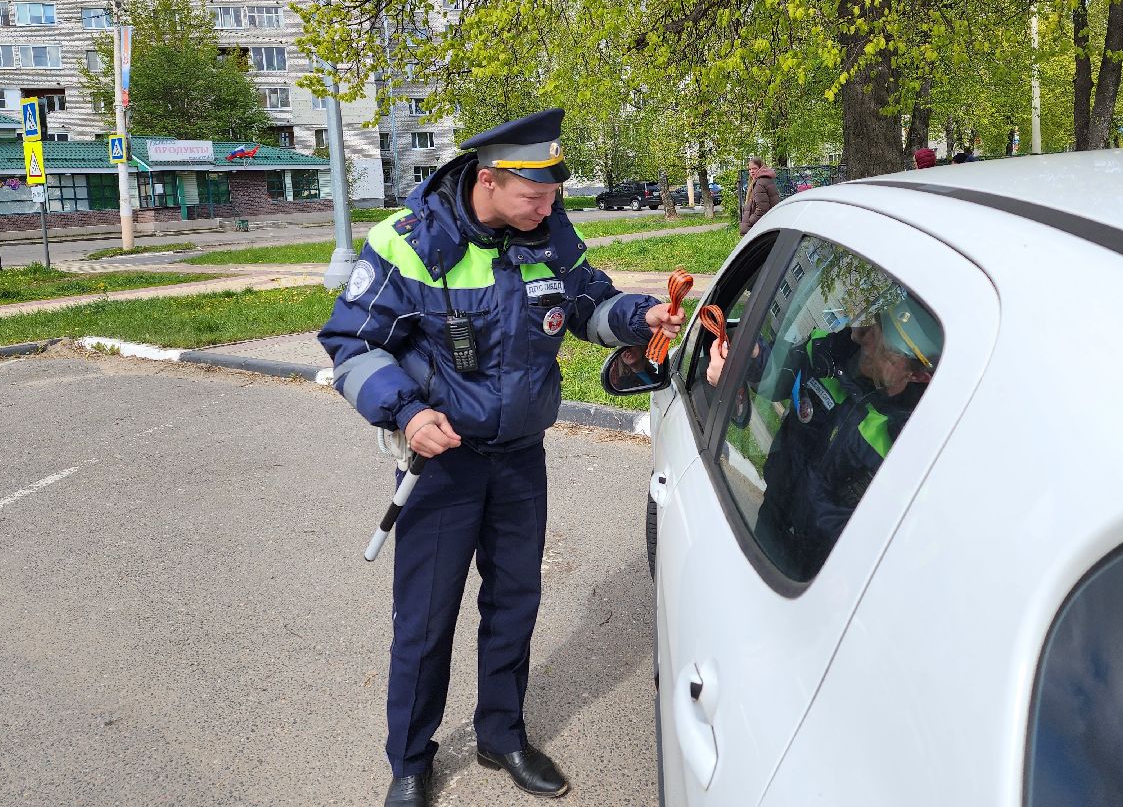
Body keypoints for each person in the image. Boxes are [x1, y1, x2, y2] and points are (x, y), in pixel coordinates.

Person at [319, 108, 685, 807]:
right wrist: (406, 411)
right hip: (441, 464)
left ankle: (501, 734)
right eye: (535, 195)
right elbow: (351, 344)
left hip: (520, 459)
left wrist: (642, 318)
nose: (550, 208)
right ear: (489, 180)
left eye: (553, 195)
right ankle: (410, 761)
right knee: (425, 620)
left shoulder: (547, 234)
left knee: (515, 602)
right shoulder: (408, 244)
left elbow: (589, 306)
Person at [706, 290, 941, 580]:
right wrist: (749, 357)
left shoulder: (914, 440)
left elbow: (899, 536)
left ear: (918, 375)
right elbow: (780, 375)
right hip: (772, 517)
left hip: (823, 575)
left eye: (886, 346)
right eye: (878, 324)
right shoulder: (830, 352)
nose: (864, 339)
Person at [740, 157, 781, 235]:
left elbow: (762, 210)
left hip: (759, 228)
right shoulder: (766, 180)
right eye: (749, 169)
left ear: (761, 168)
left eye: (754, 168)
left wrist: (749, 222)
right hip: (768, 225)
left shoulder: (760, 183)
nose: (751, 171)